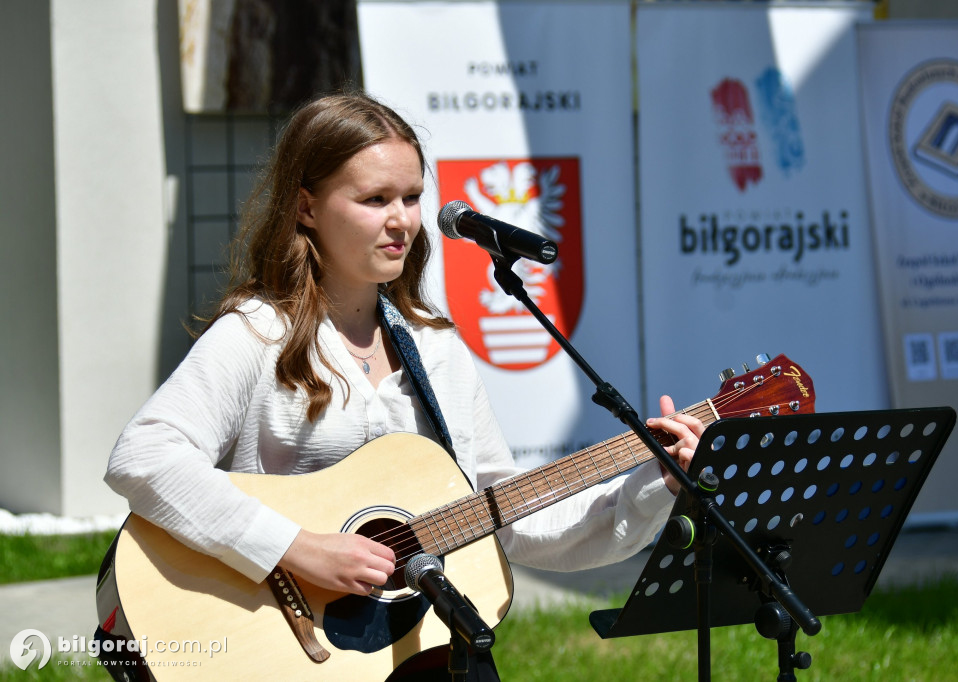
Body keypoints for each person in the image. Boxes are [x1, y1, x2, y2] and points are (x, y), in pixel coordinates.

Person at [103, 90, 705, 680]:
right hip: (279, 647)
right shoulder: (259, 333)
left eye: (413, 197)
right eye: (374, 199)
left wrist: (652, 483)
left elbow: (507, 515)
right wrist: (295, 547)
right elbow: (143, 457)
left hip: (412, 654)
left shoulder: (436, 348)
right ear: (306, 207)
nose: (402, 221)